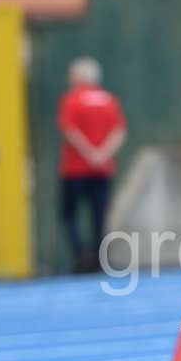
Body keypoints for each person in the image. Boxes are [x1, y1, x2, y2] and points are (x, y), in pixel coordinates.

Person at [57, 57, 126, 273]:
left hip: (75, 169)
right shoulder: (109, 100)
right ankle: (98, 259)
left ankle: (80, 256)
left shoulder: (71, 100)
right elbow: (118, 131)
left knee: (69, 214)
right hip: (102, 170)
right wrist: (102, 154)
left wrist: (89, 153)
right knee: (99, 216)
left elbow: (70, 130)